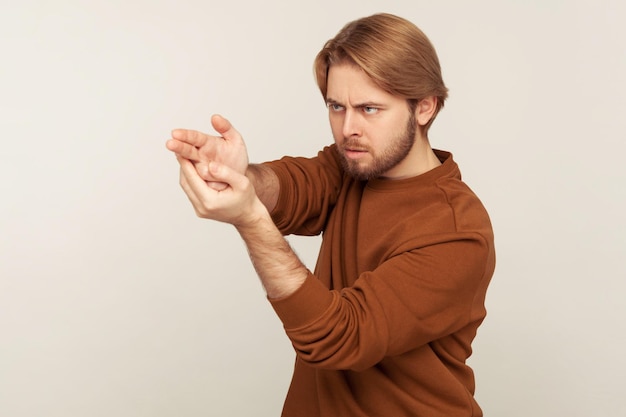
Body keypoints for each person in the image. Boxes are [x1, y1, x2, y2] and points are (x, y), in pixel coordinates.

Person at [166, 12, 495, 417]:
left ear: (424, 107)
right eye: (337, 106)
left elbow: (340, 337)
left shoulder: (457, 231)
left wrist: (249, 218)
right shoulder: (354, 166)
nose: (347, 128)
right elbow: (294, 189)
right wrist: (240, 176)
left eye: (370, 109)